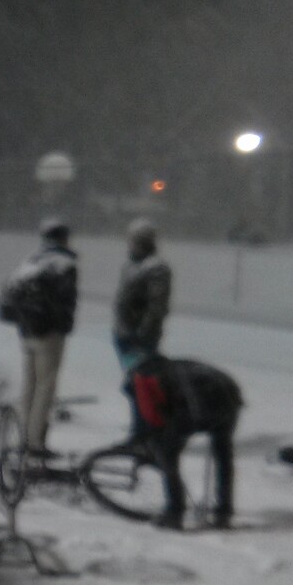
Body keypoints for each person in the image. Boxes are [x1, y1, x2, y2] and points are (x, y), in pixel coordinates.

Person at [128, 353, 242, 529]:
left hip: (199, 409)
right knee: (223, 457)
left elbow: (152, 412)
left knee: (168, 455)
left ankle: (175, 513)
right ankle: (223, 513)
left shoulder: (144, 377)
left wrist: (154, 438)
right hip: (229, 405)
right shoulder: (183, 365)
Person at [0, 218, 79, 456]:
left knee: (29, 385)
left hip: (27, 333)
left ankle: (24, 436)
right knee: (46, 387)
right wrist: (62, 325)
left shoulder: (30, 262)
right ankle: (36, 443)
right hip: (49, 335)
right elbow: (66, 301)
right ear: (63, 239)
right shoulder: (64, 263)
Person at [112, 219, 173, 439]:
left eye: (135, 241)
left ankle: (145, 430)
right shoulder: (130, 265)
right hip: (125, 337)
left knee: (143, 386)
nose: (130, 245)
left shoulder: (156, 268)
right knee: (134, 384)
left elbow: (156, 306)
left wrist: (142, 333)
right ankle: (139, 427)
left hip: (140, 340)